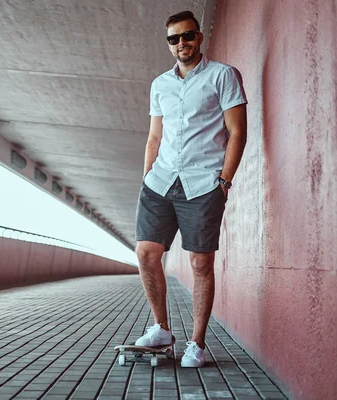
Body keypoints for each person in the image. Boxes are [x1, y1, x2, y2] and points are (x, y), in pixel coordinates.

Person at [134, 10, 248, 368]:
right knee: (146, 254)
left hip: (202, 184)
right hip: (160, 182)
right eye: (173, 39)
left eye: (187, 36)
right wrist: (146, 176)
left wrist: (224, 182)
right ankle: (162, 329)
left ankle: (196, 343)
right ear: (169, 44)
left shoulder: (223, 76)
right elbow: (155, 135)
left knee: (200, 263)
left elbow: (237, 132)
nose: (181, 43)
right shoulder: (159, 85)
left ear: (199, 37)